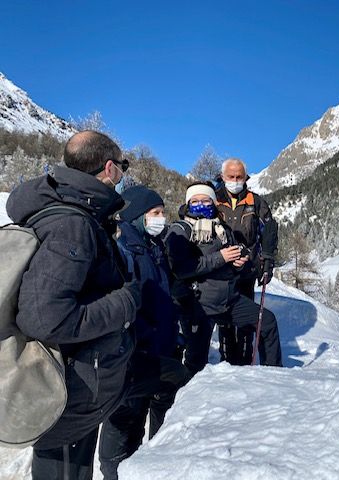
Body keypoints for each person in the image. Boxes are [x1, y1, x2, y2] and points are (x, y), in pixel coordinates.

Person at [6, 130, 139, 480]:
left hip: (75, 378)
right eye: (123, 166)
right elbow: (45, 319)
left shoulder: (73, 212)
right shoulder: (72, 224)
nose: (123, 174)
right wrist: (125, 303)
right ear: (109, 168)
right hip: (69, 388)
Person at [99, 186, 190, 480]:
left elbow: (161, 299)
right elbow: (125, 306)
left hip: (157, 348)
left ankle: (141, 466)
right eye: (155, 213)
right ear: (138, 216)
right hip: (134, 354)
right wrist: (143, 337)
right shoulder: (125, 251)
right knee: (123, 423)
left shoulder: (152, 247)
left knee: (136, 423)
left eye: (162, 212)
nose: (161, 218)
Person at [165, 181, 282, 375]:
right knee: (196, 363)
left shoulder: (222, 229)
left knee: (267, 322)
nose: (201, 204)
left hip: (228, 301)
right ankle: (186, 391)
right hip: (199, 306)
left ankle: (275, 375)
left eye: (206, 200)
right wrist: (221, 257)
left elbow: (233, 257)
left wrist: (239, 262)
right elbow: (181, 268)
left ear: (213, 202)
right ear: (188, 204)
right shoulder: (181, 230)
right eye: (195, 201)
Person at [214, 158, 278, 365]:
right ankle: (226, 362)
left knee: (246, 321)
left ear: (245, 178)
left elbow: (269, 230)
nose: (235, 181)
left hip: (246, 270)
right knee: (225, 321)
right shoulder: (213, 199)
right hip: (220, 271)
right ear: (223, 177)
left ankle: (244, 362)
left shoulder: (255, 201)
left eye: (239, 177)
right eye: (231, 177)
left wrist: (267, 259)